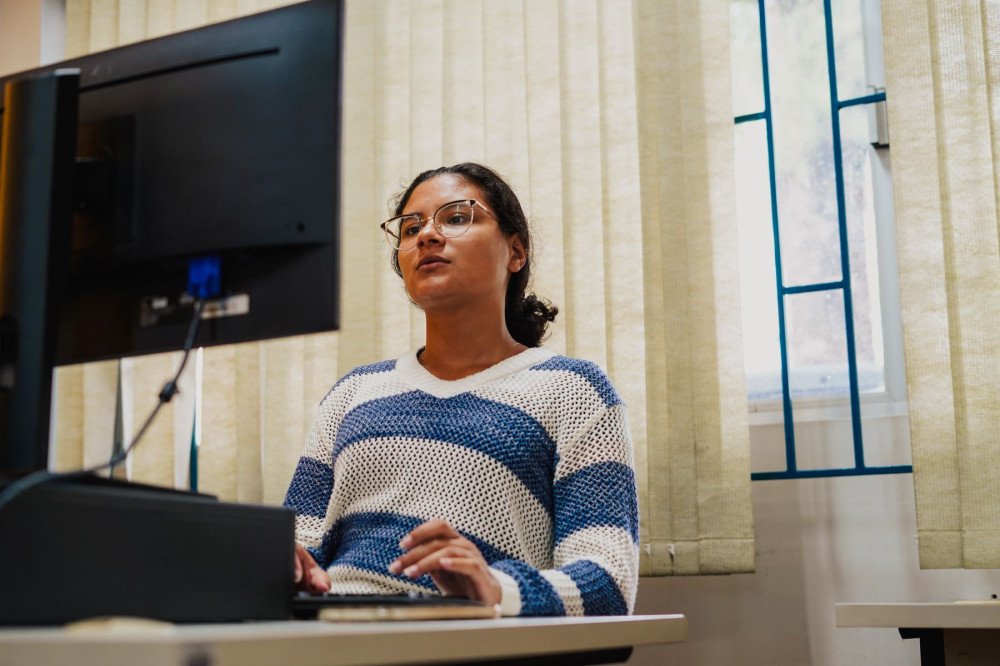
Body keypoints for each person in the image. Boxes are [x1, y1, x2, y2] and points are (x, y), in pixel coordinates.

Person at [283, 163, 638, 616]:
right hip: (331, 638)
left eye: (456, 217)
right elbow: (300, 547)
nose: (426, 235)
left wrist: (495, 588)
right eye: (411, 228)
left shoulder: (574, 392)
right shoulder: (352, 393)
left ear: (515, 251)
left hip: (475, 640)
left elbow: (609, 582)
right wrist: (285, 563)